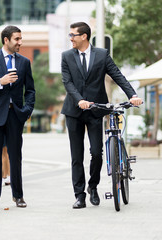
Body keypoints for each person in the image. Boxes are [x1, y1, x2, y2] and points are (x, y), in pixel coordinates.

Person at [61, 22, 143, 209]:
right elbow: (67, 82)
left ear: (84, 36)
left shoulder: (101, 55)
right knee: (76, 156)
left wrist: (133, 95)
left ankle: (93, 186)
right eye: (70, 35)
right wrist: (80, 99)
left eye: (73, 35)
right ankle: (80, 195)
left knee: (97, 153)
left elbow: (118, 75)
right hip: (74, 111)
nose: (70, 38)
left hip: (96, 110)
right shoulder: (66, 56)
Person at [0, 25, 35, 210]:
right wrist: (0, 82)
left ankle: (18, 196)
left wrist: (26, 110)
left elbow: (31, 90)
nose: (20, 42)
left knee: (15, 157)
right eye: (17, 39)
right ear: (6, 40)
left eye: (20, 38)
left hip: (15, 115)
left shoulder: (24, 62)